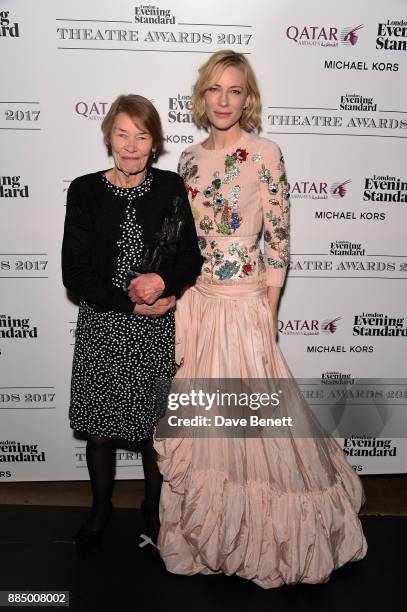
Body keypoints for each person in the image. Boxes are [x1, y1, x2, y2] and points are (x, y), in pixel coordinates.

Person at [154, 51, 367, 588]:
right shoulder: (187, 158)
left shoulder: (266, 153)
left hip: (245, 305)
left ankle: (263, 537)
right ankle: (210, 537)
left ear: (248, 99)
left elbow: (278, 239)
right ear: (202, 96)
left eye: (235, 91)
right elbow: (180, 244)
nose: (224, 101)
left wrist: (267, 313)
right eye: (215, 90)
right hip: (197, 307)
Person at [62, 94, 203, 557]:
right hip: (104, 326)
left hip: (156, 328)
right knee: (100, 432)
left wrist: (164, 282)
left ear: (154, 142)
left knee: (153, 431)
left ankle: (153, 508)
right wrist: (129, 303)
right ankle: (100, 510)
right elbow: (75, 273)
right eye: (121, 133)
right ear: (108, 136)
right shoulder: (83, 191)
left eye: (141, 136)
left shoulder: (169, 188)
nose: (130, 145)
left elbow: (189, 258)